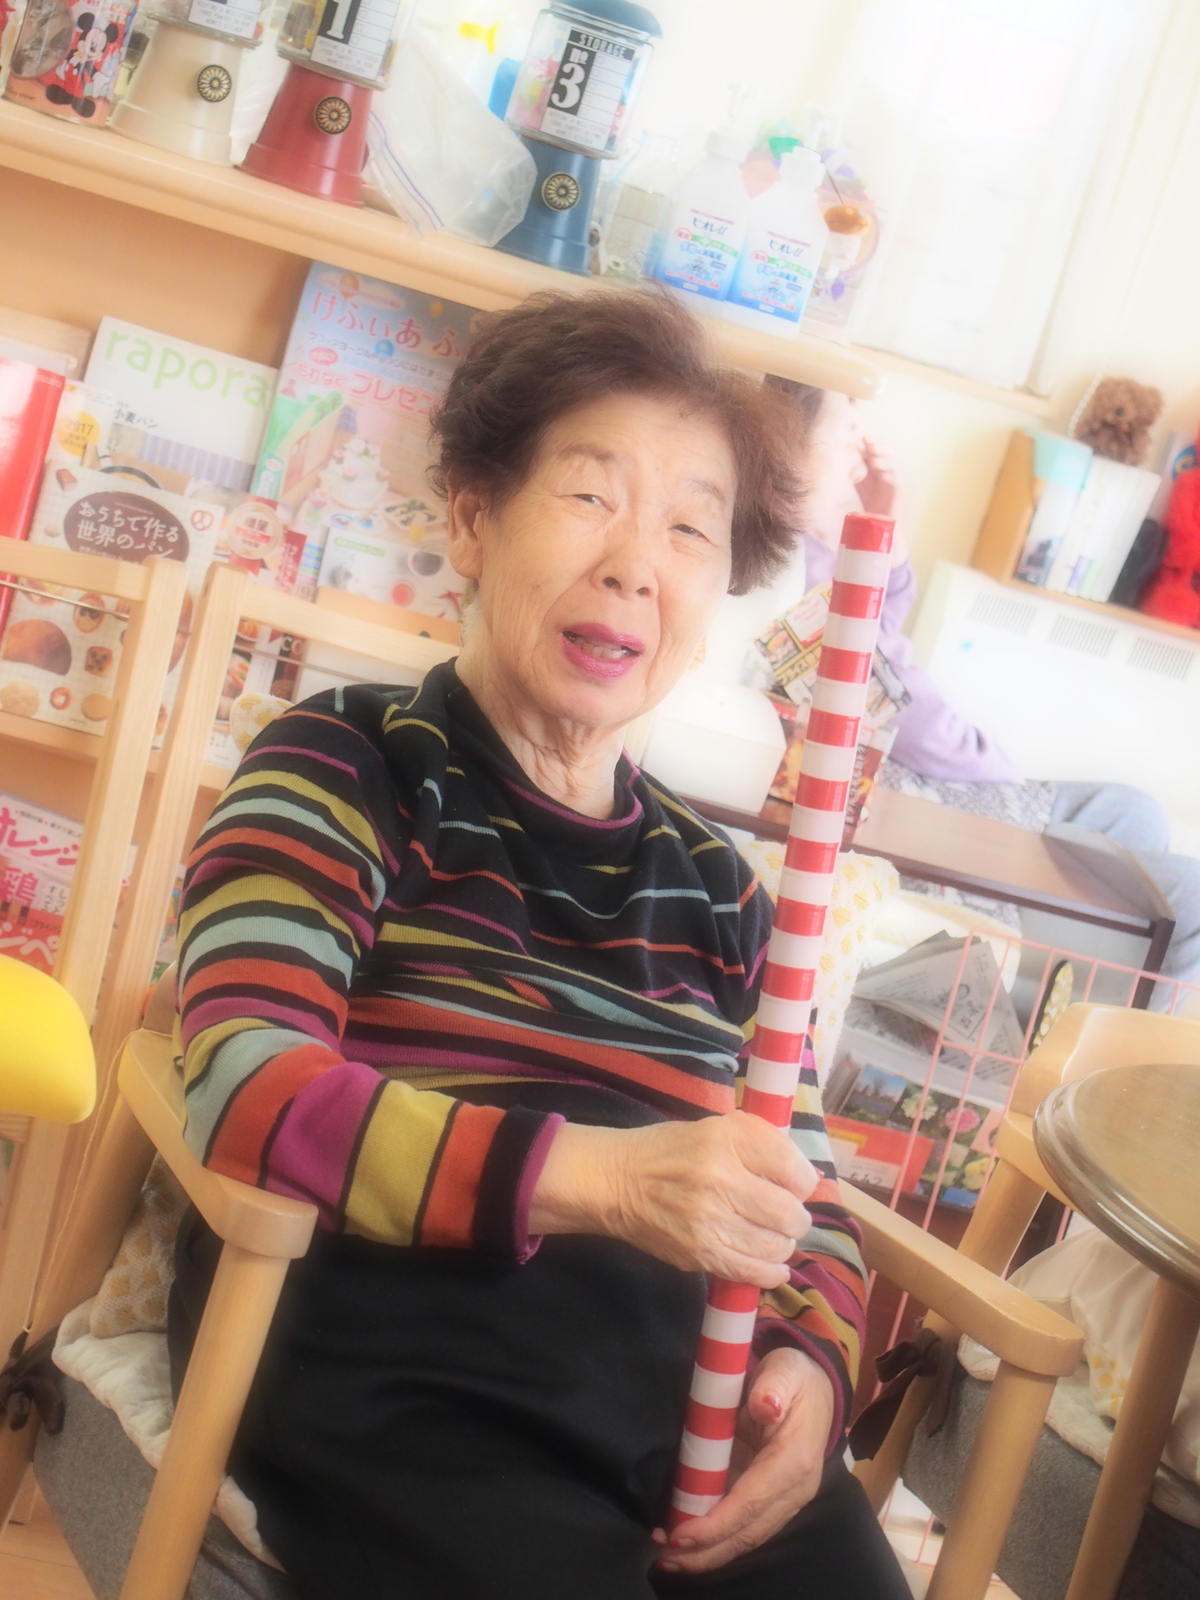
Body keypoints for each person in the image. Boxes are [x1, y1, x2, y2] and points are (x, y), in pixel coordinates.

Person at [170, 291, 911, 1600]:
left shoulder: (724, 891)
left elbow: (804, 1190)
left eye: (690, 527)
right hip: (396, 1377)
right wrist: (607, 1181)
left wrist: (811, 1370)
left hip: (666, 1406)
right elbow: (247, 1084)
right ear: (472, 515)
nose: (637, 563)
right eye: (589, 495)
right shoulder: (344, 763)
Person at [781, 381, 1200, 1002]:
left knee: (1135, 812)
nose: (858, 457)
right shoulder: (789, 564)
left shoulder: (818, 549)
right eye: (844, 434)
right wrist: (999, 772)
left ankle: (1090, 989)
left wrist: (884, 532)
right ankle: (1100, 1025)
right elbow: (904, 711)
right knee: (1190, 896)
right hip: (922, 793)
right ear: (786, 451)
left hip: (930, 776)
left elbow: (879, 636)